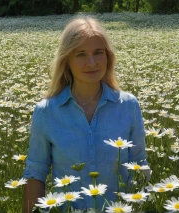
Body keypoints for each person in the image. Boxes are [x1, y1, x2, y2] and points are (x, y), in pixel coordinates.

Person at [23, 16, 150, 213]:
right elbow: (35, 174)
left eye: (98, 53)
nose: (91, 62)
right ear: (67, 61)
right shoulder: (46, 112)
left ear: (108, 57)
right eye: (80, 54)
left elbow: (139, 166)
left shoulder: (128, 106)